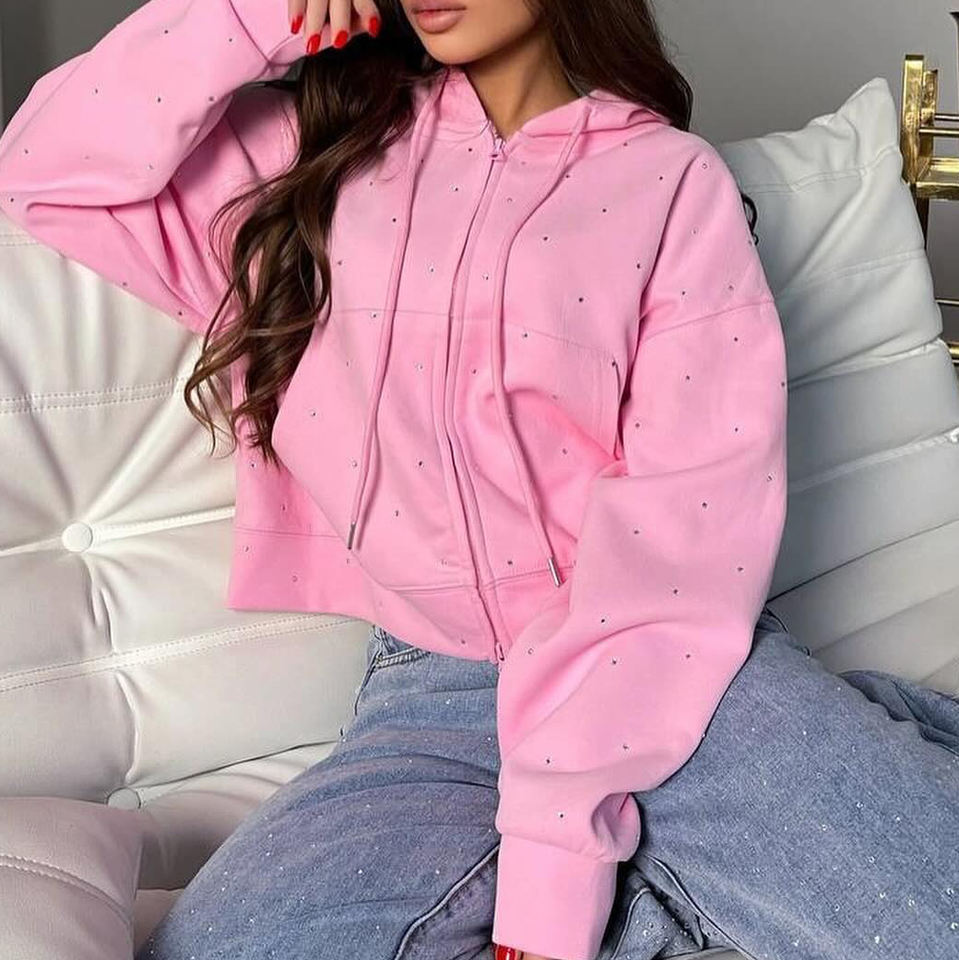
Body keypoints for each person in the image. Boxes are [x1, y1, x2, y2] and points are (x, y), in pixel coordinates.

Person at [1, 2, 957, 959]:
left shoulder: (667, 183)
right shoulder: (314, 160)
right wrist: (254, 10)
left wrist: (559, 861)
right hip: (435, 690)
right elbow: (44, 168)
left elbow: (682, 526)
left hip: (677, 672)